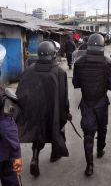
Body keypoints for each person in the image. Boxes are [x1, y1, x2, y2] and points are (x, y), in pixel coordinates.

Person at [16, 40, 71, 177]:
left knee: (37, 133)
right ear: (53, 54)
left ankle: (35, 156)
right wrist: (65, 112)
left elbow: (20, 93)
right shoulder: (59, 72)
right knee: (56, 129)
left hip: (34, 110)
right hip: (53, 110)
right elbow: (63, 96)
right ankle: (54, 154)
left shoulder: (28, 71)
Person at [72, 33, 111, 176]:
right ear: (103, 46)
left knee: (88, 134)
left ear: (88, 44)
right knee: (102, 128)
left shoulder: (79, 62)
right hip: (101, 103)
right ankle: (100, 150)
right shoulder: (107, 62)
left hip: (87, 103)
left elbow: (76, 83)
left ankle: (89, 166)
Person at [0, 49, 22, 186]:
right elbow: (8, 131)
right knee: (11, 178)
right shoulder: (2, 99)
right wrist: (17, 158)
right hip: (4, 155)